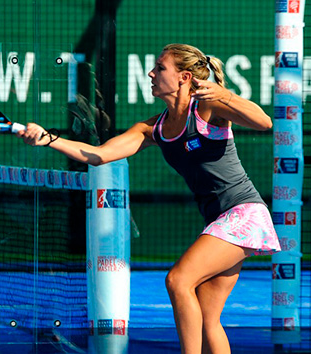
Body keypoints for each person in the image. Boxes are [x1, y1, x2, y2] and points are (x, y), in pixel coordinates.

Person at [18, 43, 281, 354]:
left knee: (178, 280)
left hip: (244, 213)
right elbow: (99, 155)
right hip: (221, 219)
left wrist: (224, 95)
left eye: (160, 68)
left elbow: (264, 122)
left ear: (184, 77)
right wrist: (49, 139)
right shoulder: (152, 128)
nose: (151, 73)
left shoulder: (207, 107)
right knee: (208, 317)